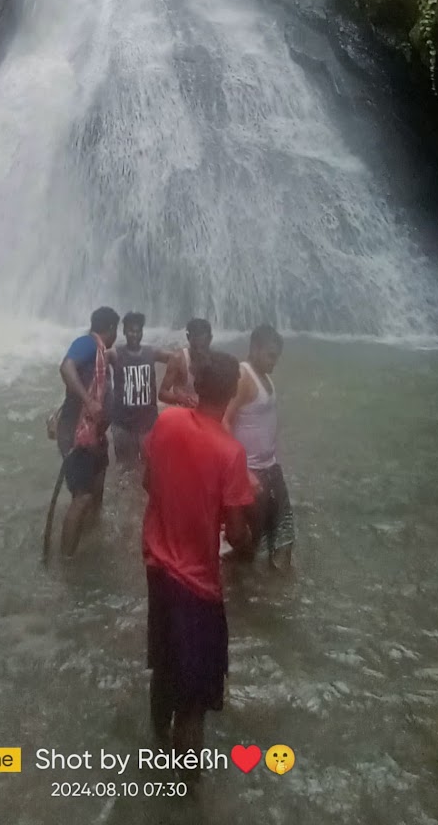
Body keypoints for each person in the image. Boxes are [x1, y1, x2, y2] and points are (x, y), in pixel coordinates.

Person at [143, 351, 254, 759]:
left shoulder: (167, 421)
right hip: (198, 586)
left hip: (157, 568)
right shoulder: (231, 453)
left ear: (198, 386)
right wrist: (248, 542)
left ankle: (157, 748)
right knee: (194, 702)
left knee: (164, 666)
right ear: (231, 392)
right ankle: (185, 788)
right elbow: (237, 534)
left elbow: (148, 480)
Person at [224, 324, 295, 572]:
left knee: (283, 535)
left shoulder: (265, 376)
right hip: (251, 472)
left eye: (277, 357)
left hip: (270, 467)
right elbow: (224, 422)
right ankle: (243, 588)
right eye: (270, 356)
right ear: (255, 348)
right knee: (251, 543)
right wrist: (242, 471)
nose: (274, 362)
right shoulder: (243, 376)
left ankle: (270, 587)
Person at [57, 307, 119, 556]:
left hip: (96, 435)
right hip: (78, 435)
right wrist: (89, 400)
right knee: (82, 497)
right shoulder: (87, 344)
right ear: (111, 328)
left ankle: (92, 541)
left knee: (97, 487)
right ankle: (67, 559)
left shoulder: (100, 352)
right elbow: (66, 367)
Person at [111, 313, 173, 470]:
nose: (135, 335)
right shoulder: (115, 353)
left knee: (149, 464)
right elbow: (95, 363)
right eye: (131, 331)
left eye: (138, 331)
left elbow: (177, 359)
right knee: (124, 467)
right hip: (122, 423)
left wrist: (175, 385)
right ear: (124, 331)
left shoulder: (151, 352)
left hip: (147, 422)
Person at [158, 317, 212, 406]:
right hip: (184, 410)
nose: (199, 351)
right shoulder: (178, 359)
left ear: (210, 339)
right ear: (188, 337)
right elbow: (162, 393)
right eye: (195, 347)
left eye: (203, 347)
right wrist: (181, 399)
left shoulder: (216, 360)